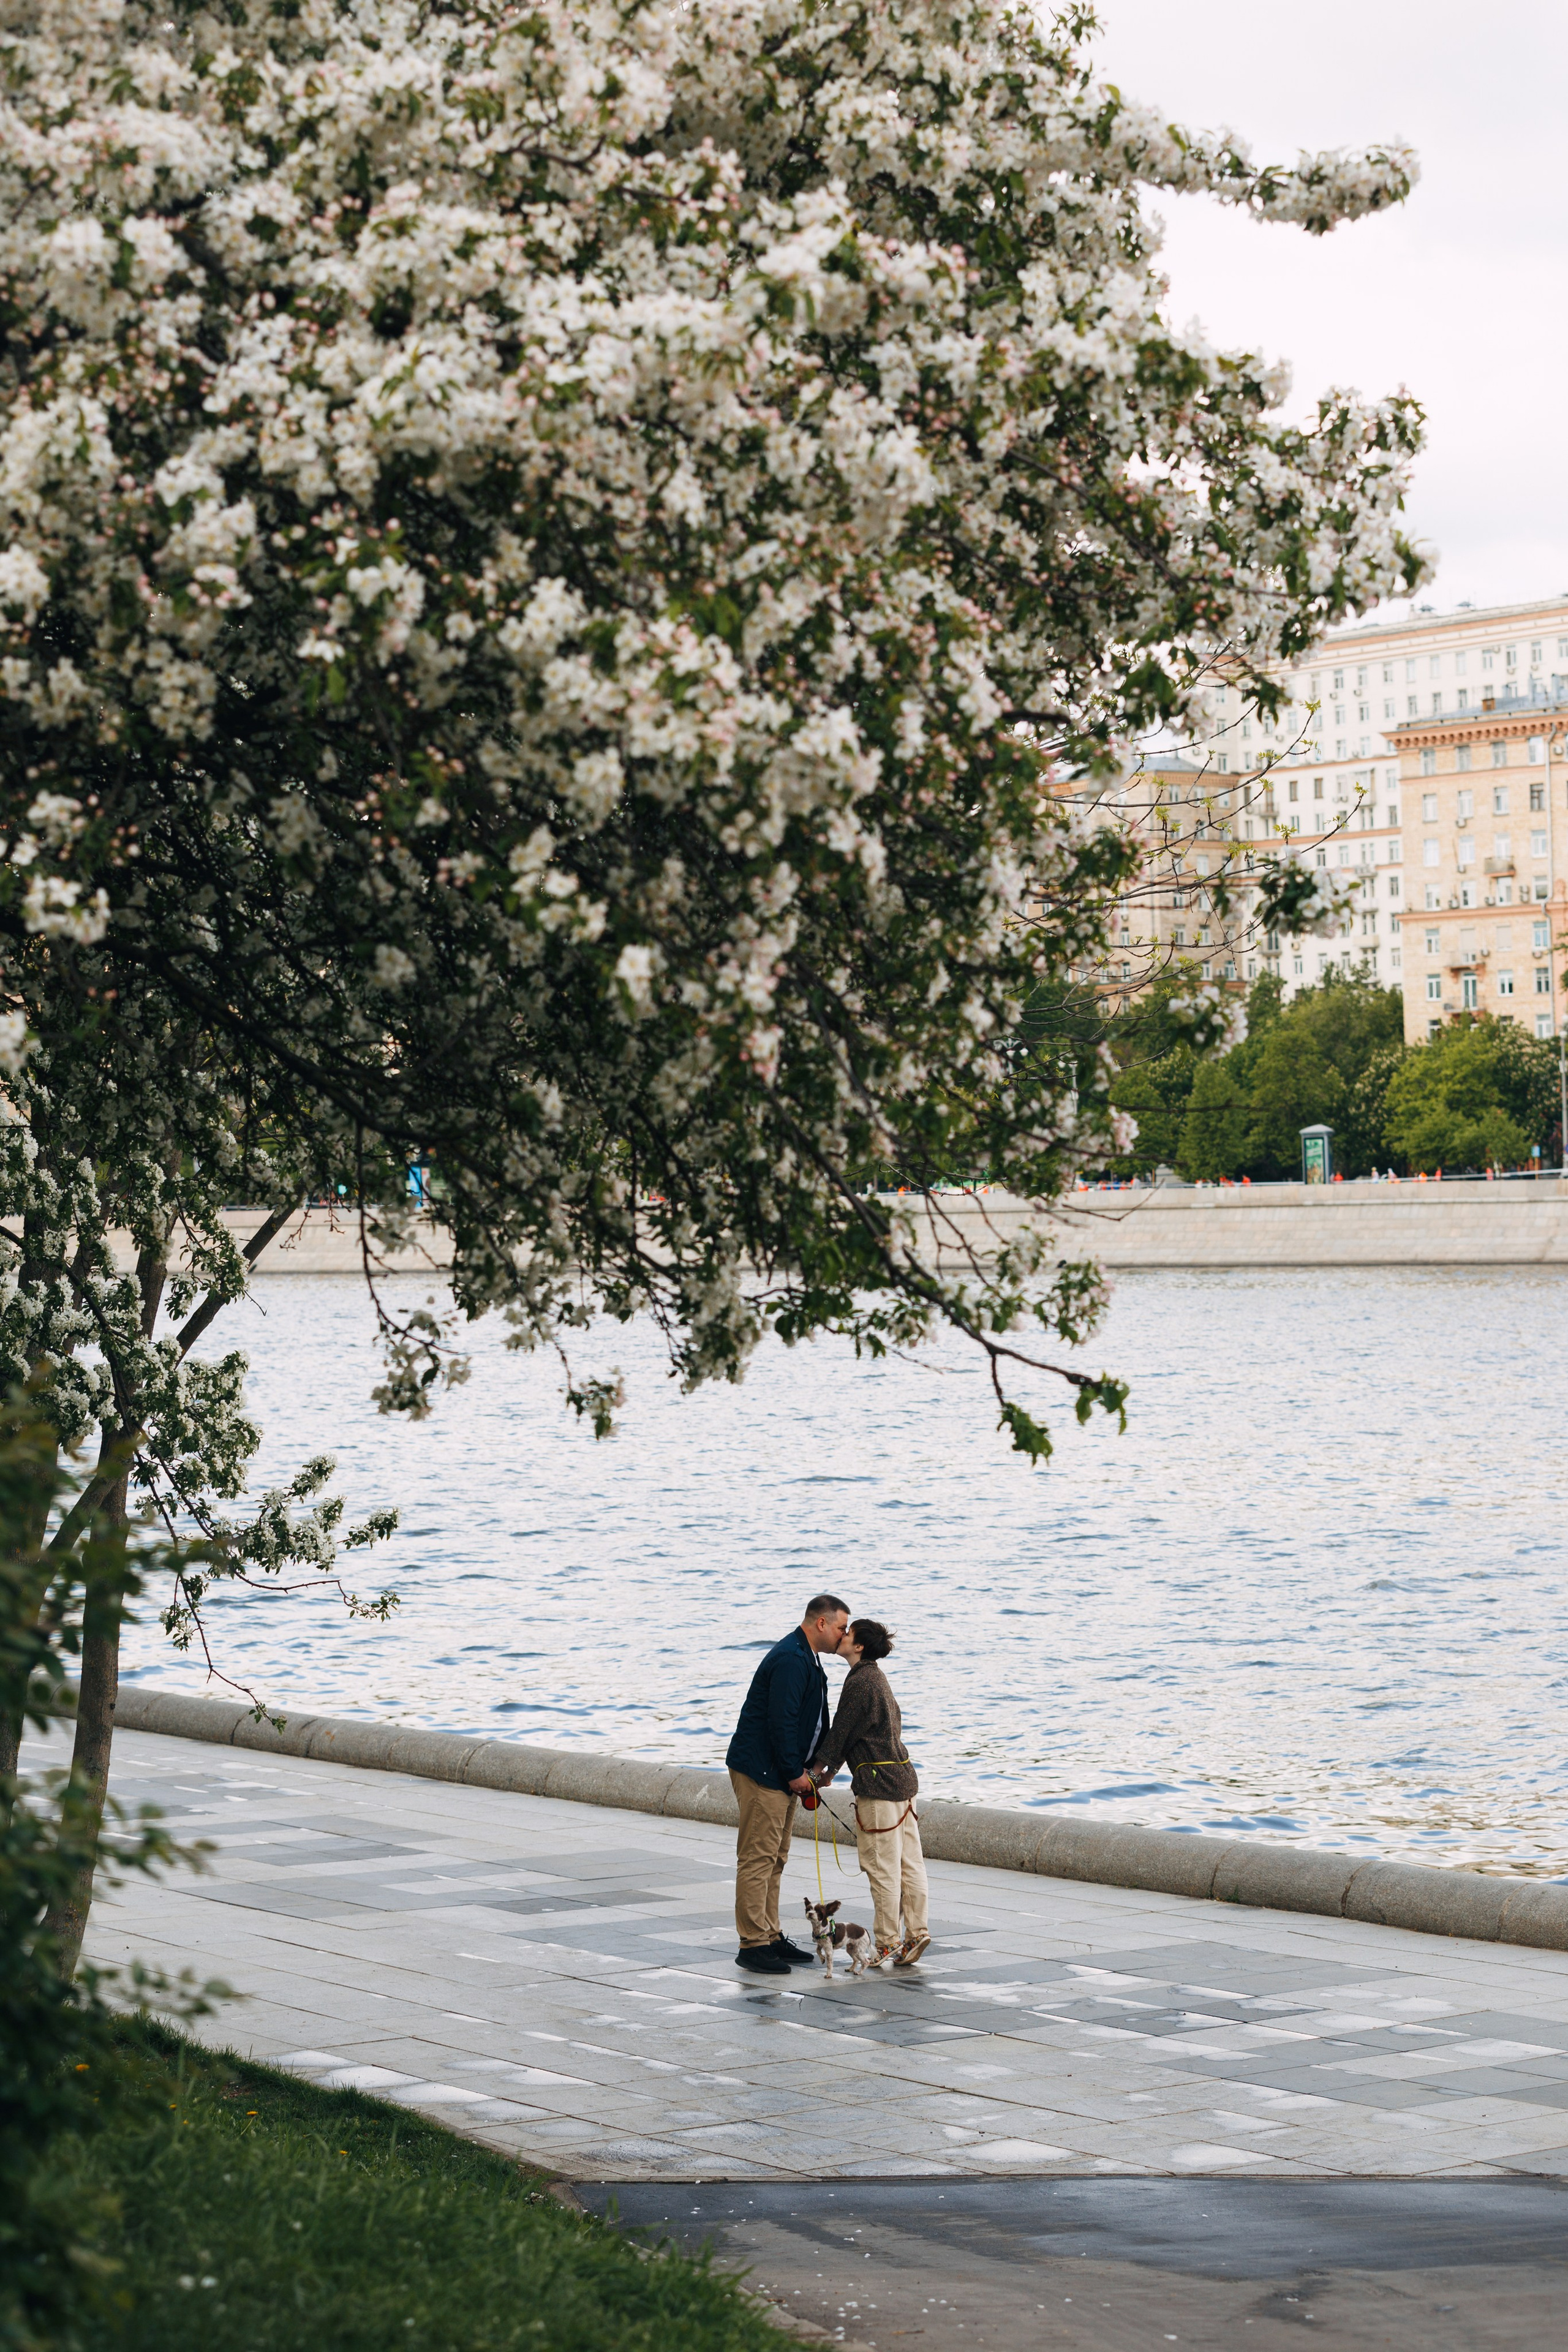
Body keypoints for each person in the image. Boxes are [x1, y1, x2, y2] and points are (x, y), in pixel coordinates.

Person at [725, 1594, 850, 1975]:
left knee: (775, 1857)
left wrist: (813, 1769)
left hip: (781, 1773)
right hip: (764, 1772)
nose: (844, 1635)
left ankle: (770, 1934)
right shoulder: (792, 1659)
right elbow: (781, 1722)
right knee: (758, 1858)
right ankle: (752, 1945)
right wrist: (795, 1773)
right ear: (821, 1623)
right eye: (842, 1627)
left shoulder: (807, 1656)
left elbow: (809, 1722)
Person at [810, 1617, 929, 1967]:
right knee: (910, 1865)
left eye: (848, 1632)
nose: (842, 1635)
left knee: (882, 1869)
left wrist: (817, 1773)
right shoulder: (877, 1678)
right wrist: (833, 1770)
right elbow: (858, 1735)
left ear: (859, 1645)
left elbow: (841, 1733)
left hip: (879, 1788)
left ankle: (888, 1941)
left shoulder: (860, 1681)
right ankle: (917, 1933)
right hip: (904, 1781)